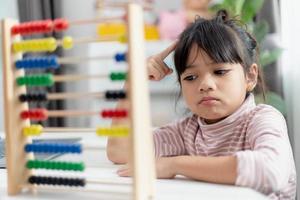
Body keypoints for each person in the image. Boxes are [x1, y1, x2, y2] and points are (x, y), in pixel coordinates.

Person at [107, 10, 296, 199]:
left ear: (250, 76)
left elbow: (271, 171)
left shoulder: (262, 118)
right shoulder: (187, 131)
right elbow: (120, 151)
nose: (205, 85)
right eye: (190, 77)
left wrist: (175, 164)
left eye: (220, 72)